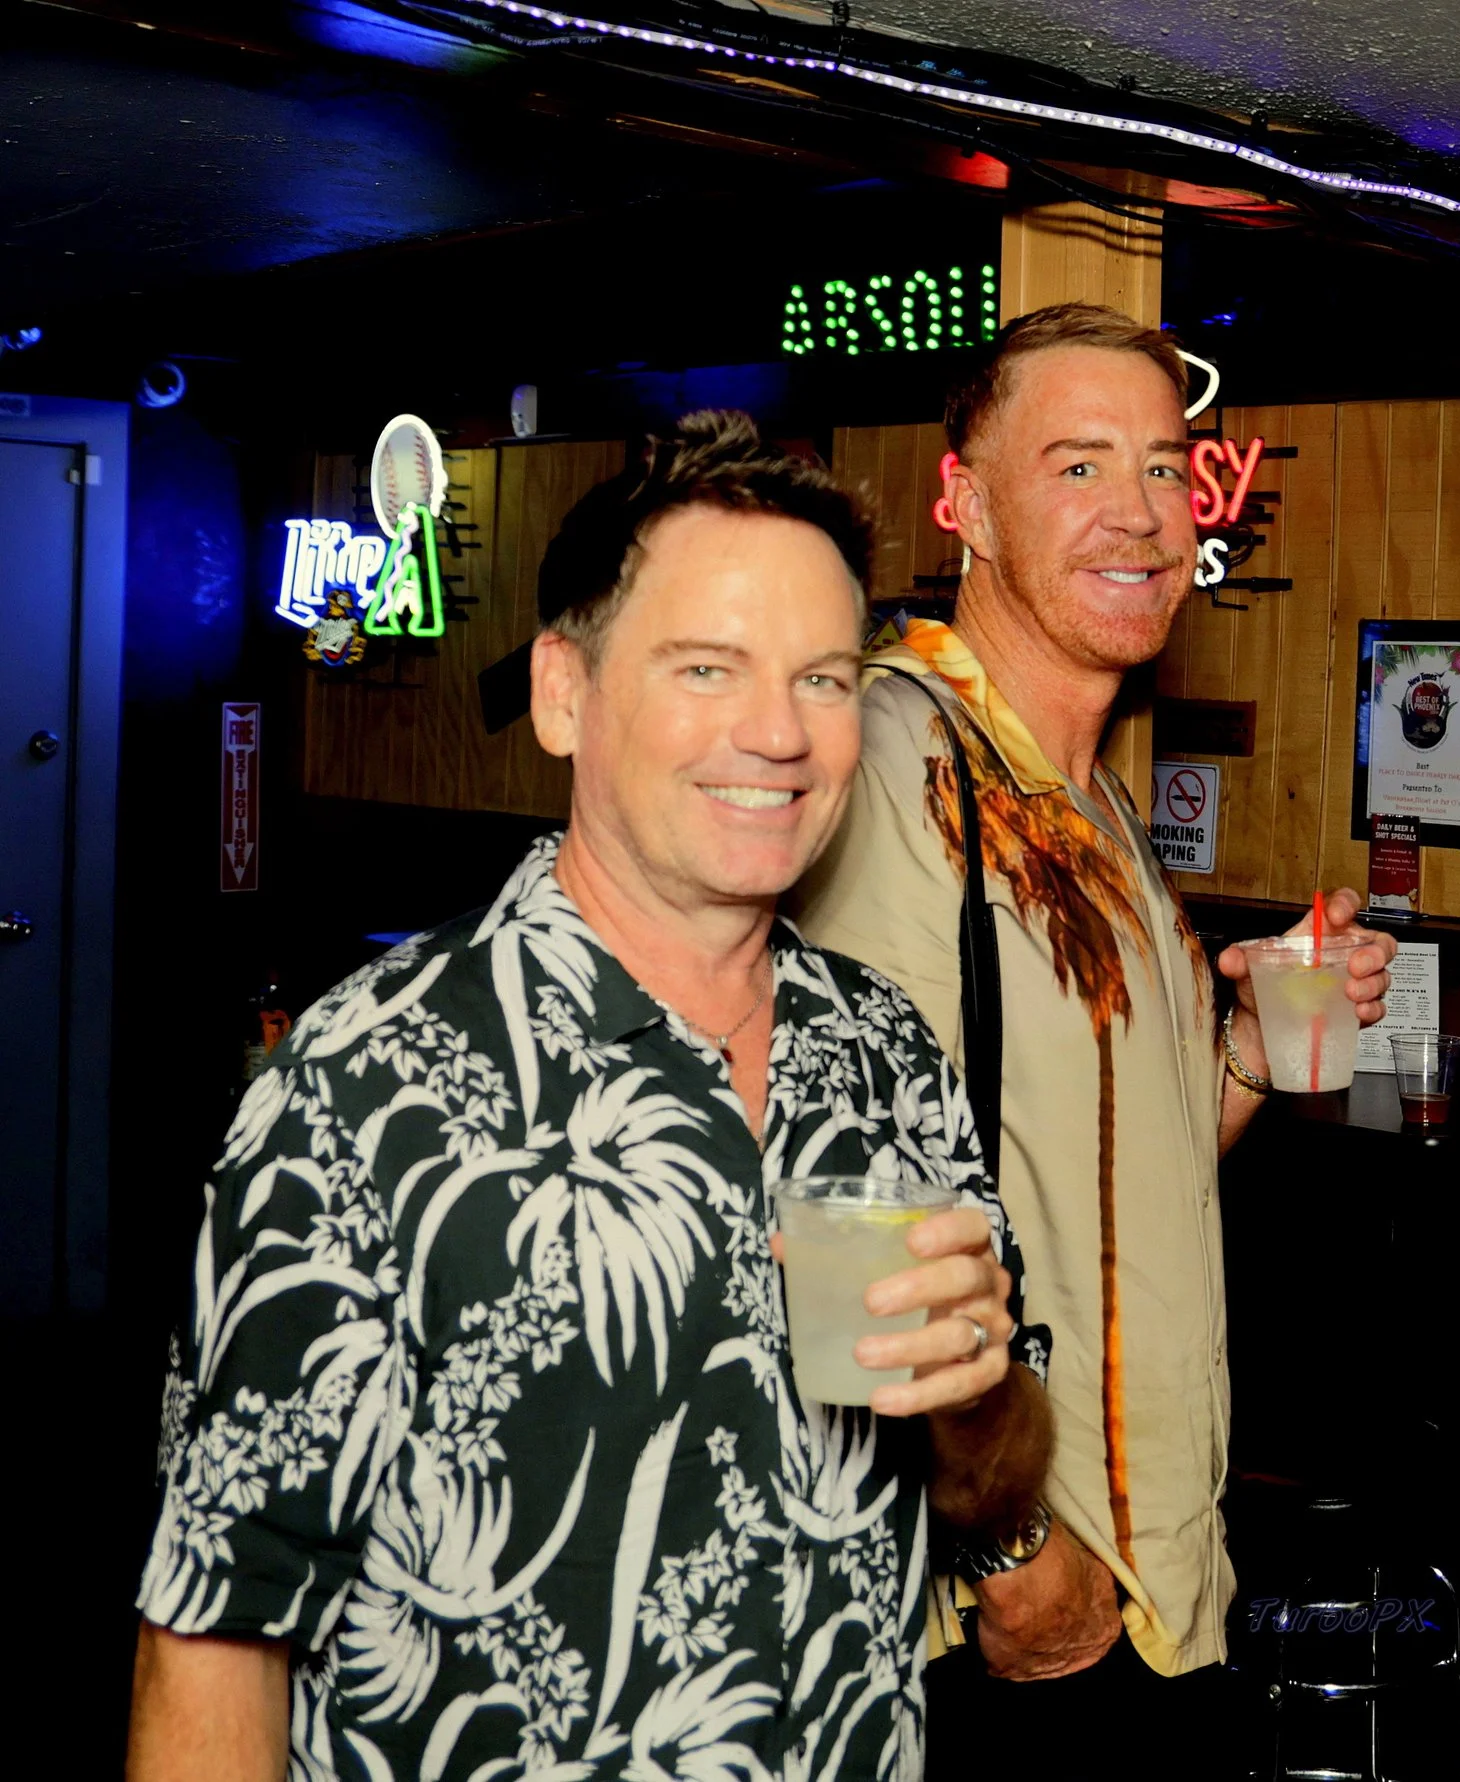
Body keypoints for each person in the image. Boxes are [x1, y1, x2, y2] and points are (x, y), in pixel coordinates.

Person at [129, 413, 1051, 1782]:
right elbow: (214, 1634)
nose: (777, 733)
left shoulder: (884, 1051)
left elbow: (995, 1486)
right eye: (705, 667)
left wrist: (978, 1400)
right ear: (563, 693)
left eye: (821, 678)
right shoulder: (364, 1083)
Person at [790, 303, 1393, 1771]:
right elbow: (832, 1200)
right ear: (966, 505)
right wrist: (1007, 1557)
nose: (1139, 511)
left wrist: (1244, 1046)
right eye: (1077, 466)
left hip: (1157, 1588)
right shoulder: (893, 754)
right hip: (993, 1608)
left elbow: (1123, 1175)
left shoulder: (1096, 804)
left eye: (1163, 467)